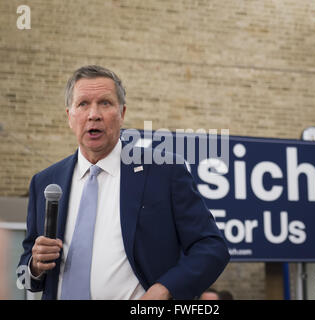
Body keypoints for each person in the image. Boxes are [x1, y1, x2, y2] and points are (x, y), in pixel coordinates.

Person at [17, 65, 229, 300]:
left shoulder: (164, 172)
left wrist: (165, 289)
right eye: (83, 104)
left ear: (122, 113)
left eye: (105, 103)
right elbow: (24, 274)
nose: (93, 114)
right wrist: (35, 266)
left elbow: (212, 248)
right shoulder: (45, 182)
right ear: (69, 116)